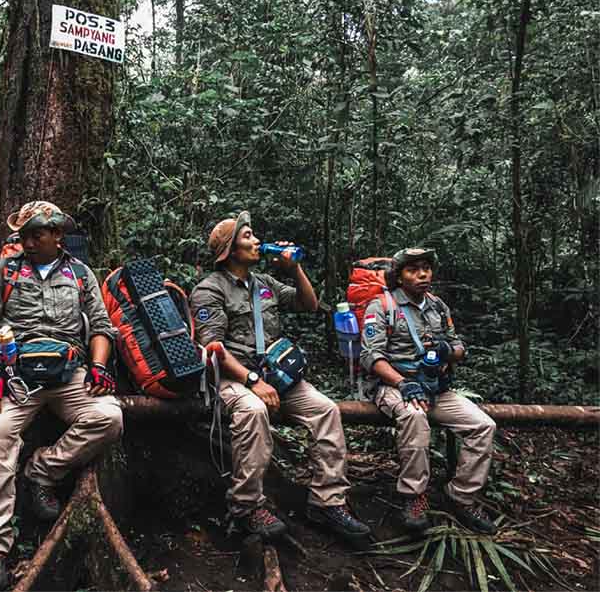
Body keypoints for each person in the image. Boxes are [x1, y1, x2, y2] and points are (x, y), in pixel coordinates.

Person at [190, 211, 371, 546]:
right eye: (247, 236)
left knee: (325, 409)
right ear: (229, 250)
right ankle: (247, 506)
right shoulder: (209, 290)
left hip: (276, 376)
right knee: (253, 412)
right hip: (234, 376)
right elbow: (211, 346)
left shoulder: (264, 285)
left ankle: (327, 502)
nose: (257, 241)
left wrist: (294, 269)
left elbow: (309, 304)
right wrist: (252, 381)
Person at [0, 201, 122, 590]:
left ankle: (42, 470)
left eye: (37, 234)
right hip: (18, 376)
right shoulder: (3, 270)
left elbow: (101, 326)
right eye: (24, 235)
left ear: (57, 235)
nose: (29, 242)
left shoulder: (80, 273)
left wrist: (100, 367)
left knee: (109, 418)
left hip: (71, 374)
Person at [360, 248, 497, 535]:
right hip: (394, 385)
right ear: (399, 277)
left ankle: (461, 495)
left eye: (426, 268)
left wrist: (449, 352)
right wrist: (402, 383)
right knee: (414, 417)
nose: (422, 274)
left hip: (435, 387)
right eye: (413, 270)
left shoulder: (437, 306)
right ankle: (413, 496)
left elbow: (458, 345)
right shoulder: (382, 305)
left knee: (483, 425)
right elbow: (371, 357)